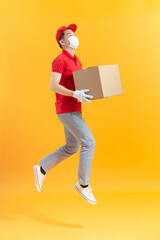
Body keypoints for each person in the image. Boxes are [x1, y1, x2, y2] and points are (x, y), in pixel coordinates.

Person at [33, 23, 97, 204]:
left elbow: (80, 87)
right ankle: (83, 185)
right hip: (66, 110)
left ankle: (42, 168)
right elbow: (54, 85)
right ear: (62, 42)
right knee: (88, 142)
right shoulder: (60, 60)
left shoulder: (77, 60)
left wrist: (97, 93)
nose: (73, 36)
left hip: (74, 109)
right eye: (69, 34)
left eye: (74, 33)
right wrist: (75, 94)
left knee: (72, 147)